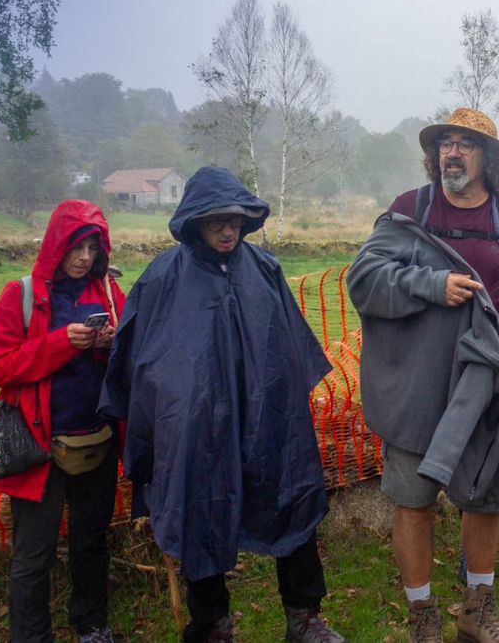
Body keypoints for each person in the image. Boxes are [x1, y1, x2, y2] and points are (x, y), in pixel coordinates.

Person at [100, 168, 343, 643]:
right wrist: (156, 427)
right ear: (194, 222)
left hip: (268, 418)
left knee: (291, 501)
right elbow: (137, 362)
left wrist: (288, 403)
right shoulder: (163, 278)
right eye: (217, 221)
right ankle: (212, 625)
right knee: (198, 513)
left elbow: (290, 347)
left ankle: (304, 617)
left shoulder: (264, 268)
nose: (228, 230)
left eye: (235, 220)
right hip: (198, 426)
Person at [347, 108, 499, 643]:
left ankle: (477, 613)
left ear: (489, 159)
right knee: (414, 498)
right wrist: (430, 283)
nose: (453, 152)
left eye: (466, 144)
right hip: (415, 385)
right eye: (446, 142)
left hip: (482, 380)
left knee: (485, 496)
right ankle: (423, 618)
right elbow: (363, 277)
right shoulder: (409, 210)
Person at [0, 200, 125, 643]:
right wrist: (60, 343)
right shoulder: (19, 295)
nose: (84, 258)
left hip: (96, 438)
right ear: (57, 246)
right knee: (33, 555)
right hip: (37, 448)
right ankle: (30, 636)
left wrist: (112, 344)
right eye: (76, 247)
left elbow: (131, 359)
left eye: (93, 248)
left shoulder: (109, 295)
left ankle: (93, 627)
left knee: (91, 543)